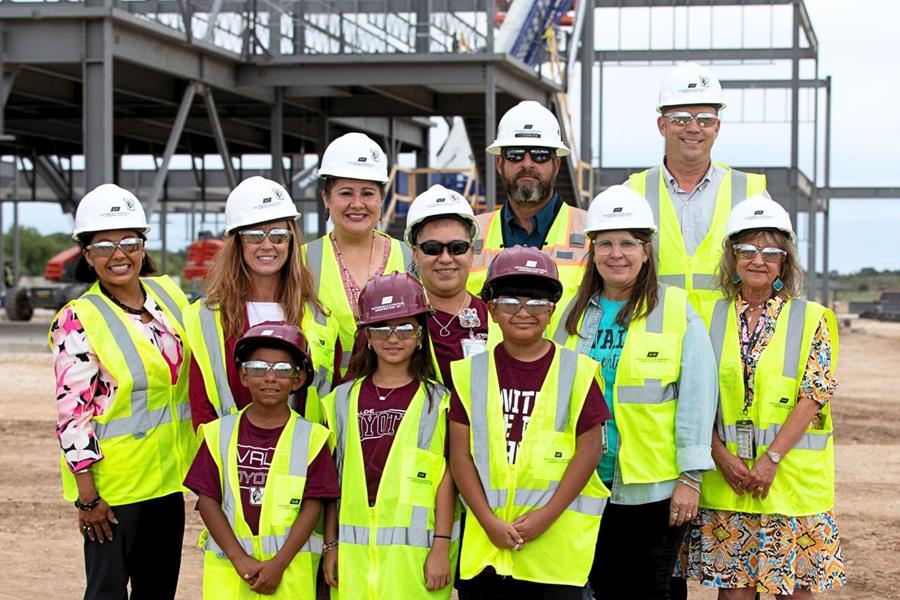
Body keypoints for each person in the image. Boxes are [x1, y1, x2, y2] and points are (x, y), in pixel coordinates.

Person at [550, 185, 717, 599]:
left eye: (628, 242)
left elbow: (698, 397)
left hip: (653, 491)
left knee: (650, 591)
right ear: (592, 251)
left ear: (646, 250)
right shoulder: (573, 312)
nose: (616, 253)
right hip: (584, 483)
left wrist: (690, 479)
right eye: (605, 243)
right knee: (597, 589)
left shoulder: (676, 310)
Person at [676, 195, 846, 597]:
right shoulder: (702, 313)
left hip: (790, 486)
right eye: (747, 250)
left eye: (771, 251)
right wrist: (718, 455)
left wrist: (770, 460)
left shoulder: (812, 318)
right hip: (728, 482)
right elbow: (690, 393)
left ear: (784, 261)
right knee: (734, 592)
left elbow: (813, 395)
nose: (758, 260)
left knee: (795, 592)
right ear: (732, 258)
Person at [50, 183, 194, 599]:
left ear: (143, 245)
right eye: (104, 245)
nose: (119, 254)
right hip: (114, 494)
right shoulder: (78, 319)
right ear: (86, 254)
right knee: (107, 593)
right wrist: (87, 499)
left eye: (130, 242)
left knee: (157, 591)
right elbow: (72, 415)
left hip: (168, 483)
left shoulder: (168, 294)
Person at [449, 245, 611, 599]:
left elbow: (590, 449)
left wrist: (547, 516)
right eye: (510, 303)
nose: (523, 312)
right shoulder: (469, 374)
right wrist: (488, 521)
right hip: (487, 552)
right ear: (491, 310)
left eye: (536, 303)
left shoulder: (577, 371)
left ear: (552, 311)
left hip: (554, 557)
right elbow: (459, 456)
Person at [321, 272, 457, 599]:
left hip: (417, 558)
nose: (392, 338)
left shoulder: (439, 402)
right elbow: (331, 483)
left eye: (405, 327)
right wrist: (331, 544)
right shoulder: (340, 399)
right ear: (366, 336)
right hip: (352, 557)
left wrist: (441, 546)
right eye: (381, 328)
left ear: (421, 334)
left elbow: (448, 476)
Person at [184, 322, 339, 599]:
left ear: (298, 379)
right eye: (258, 368)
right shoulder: (218, 433)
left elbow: (312, 507)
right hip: (230, 576)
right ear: (243, 376)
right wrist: (239, 558)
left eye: (282, 370)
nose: (269, 377)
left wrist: (278, 565)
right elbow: (207, 501)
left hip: (289, 576)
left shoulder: (313, 438)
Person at [185, 176, 340, 428]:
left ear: (291, 241)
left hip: (302, 459)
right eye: (255, 236)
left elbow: (332, 401)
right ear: (237, 242)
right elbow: (201, 406)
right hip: (231, 460)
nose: (268, 245)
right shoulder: (207, 318)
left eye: (278, 235)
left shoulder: (318, 317)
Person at [627, 62, 769, 309]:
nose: (693, 128)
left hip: (729, 340)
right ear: (662, 126)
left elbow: (779, 271)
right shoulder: (632, 193)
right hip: (655, 340)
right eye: (681, 119)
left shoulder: (752, 195)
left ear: (717, 127)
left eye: (704, 119)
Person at [303, 132, 412, 372]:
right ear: (326, 198)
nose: (357, 204)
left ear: (381, 198)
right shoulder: (302, 261)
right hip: (322, 403)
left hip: (394, 400)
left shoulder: (409, 257)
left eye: (367, 193)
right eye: (346, 193)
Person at [467, 100, 589, 310]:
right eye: (515, 154)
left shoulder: (592, 233)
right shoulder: (469, 236)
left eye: (539, 155)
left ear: (556, 164)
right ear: (499, 163)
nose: (527, 163)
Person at [405, 183, 490, 387]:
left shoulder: (495, 318)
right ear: (415, 254)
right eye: (432, 248)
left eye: (456, 247)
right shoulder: (396, 321)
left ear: (471, 253)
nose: (445, 258)